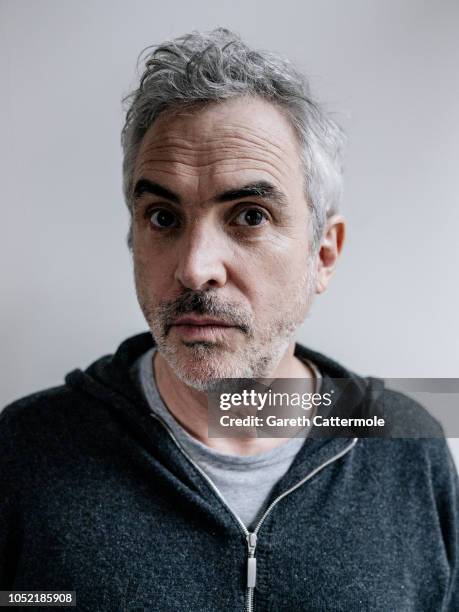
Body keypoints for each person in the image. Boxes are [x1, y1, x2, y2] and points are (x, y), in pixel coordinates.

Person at [1, 28, 457, 611]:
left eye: (249, 215)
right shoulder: (27, 450)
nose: (195, 269)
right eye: (163, 217)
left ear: (324, 255)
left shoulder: (405, 445)